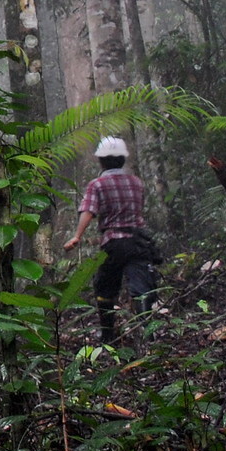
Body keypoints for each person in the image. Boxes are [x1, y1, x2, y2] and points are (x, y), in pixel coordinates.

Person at [64, 135, 159, 343]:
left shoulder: (97, 185)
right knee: (141, 289)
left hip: (113, 243)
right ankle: (148, 336)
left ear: (101, 160)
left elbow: (88, 211)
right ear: (122, 159)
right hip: (138, 242)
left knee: (105, 287)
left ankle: (107, 335)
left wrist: (77, 236)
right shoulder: (136, 182)